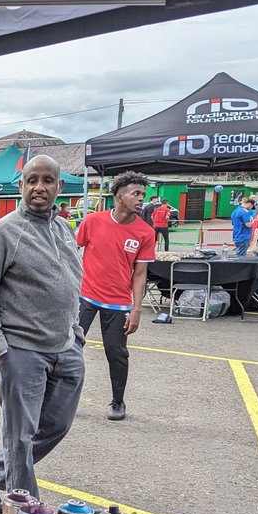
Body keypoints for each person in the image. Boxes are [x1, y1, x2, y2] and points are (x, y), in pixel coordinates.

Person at [0, 156, 84, 514]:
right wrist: (0, 350)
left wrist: (76, 334)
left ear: (59, 187)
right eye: (32, 180)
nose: (39, 187)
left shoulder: (64, 230)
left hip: (64, 347)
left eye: (48, 180)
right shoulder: (4, 233)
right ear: (20, 186)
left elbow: (71, 284)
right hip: (20, 351)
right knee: (19, 437)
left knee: (57, 425)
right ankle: (24, 513)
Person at [75, 172, 154, 422]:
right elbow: (72, 253)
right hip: (84, 297)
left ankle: (118, 401)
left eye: (143, 194)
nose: (141, 199)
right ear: (119, 197)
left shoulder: (145, 233)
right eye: (136, 194)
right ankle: (59, 398)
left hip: (119, 302)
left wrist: (136, 309)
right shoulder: (92, 221)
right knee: (68, 347)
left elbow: (140, 274)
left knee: (116, 353)